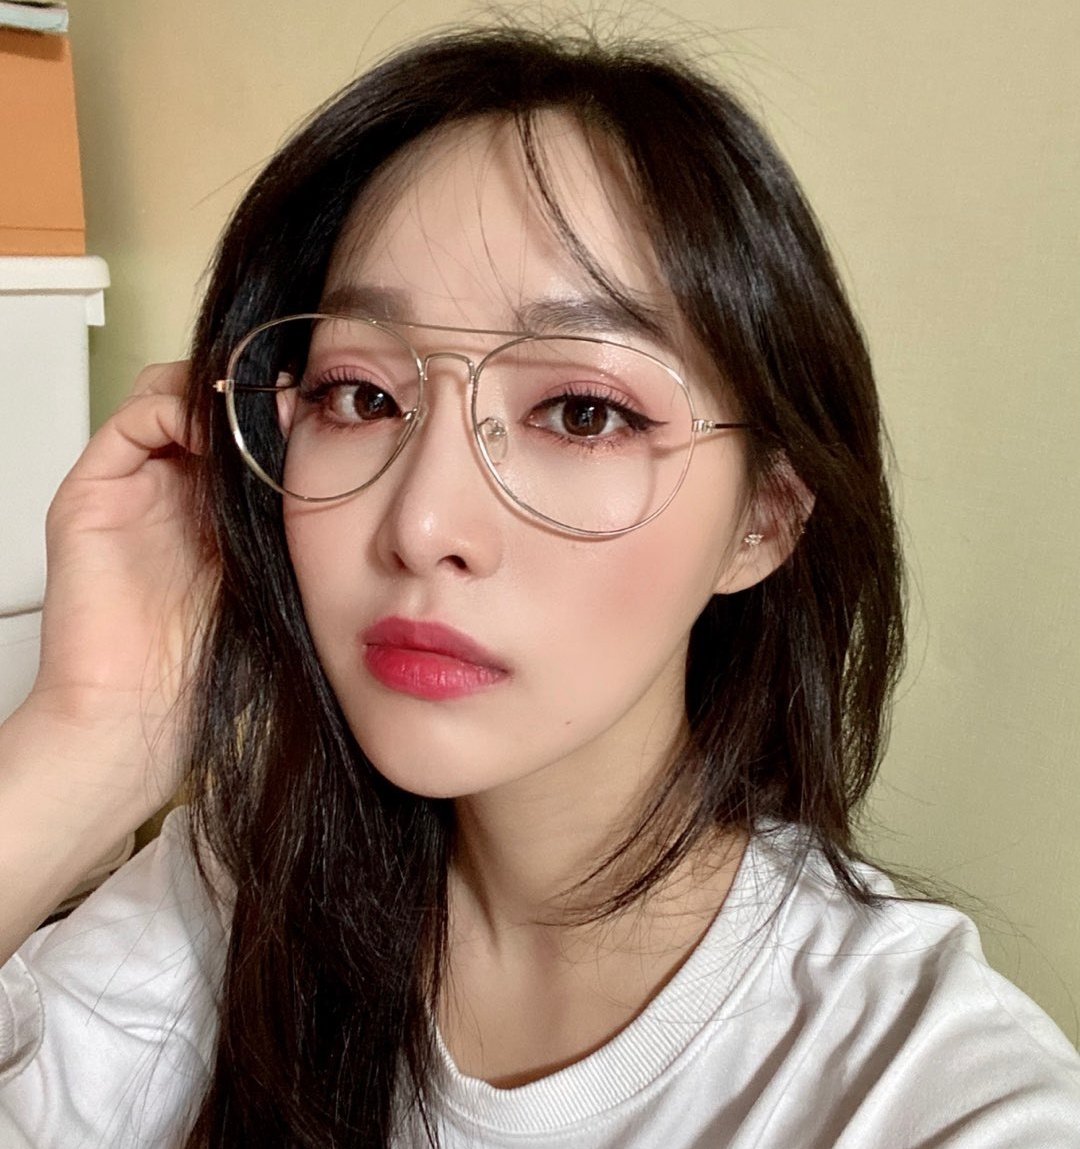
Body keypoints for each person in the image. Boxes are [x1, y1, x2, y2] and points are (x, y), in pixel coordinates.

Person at [1, 24, 1078, 1149]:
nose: (421, 525)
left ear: (761, 519)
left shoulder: (919, 1085)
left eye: (582, 412)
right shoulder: (237, 885)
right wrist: (89, 736)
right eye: (361, 395)